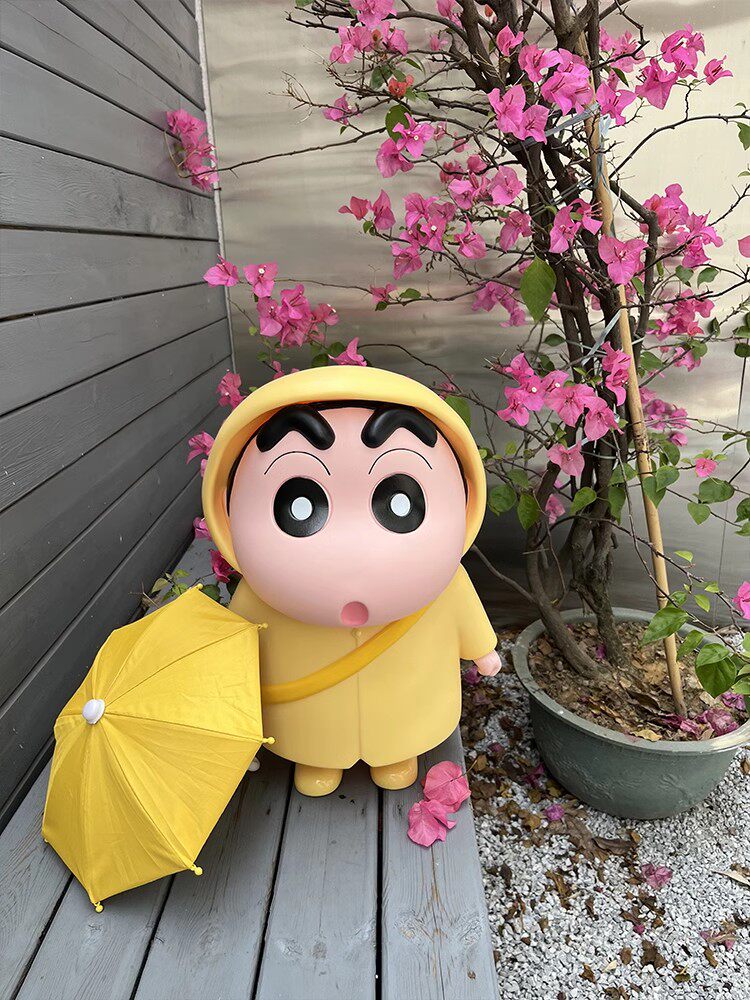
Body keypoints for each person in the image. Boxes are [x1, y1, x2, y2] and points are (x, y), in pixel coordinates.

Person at [202, 366, 501, 796]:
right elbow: (236, 647)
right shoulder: (258, 598)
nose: (352, 546)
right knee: (314, 737)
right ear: (227, 516)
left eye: (400, 503)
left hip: (409, 703)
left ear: (465, 505)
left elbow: (463, 612)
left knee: (401, 732)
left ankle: (397, 753)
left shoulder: (446, 583)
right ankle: (317, 759)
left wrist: (481, 649)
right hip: (310, 719)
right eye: (299, 504)